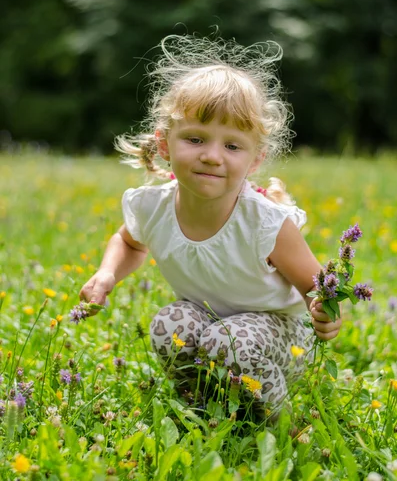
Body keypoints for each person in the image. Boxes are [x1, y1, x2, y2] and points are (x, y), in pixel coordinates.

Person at [79, 34, 342, 412]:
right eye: (196, 139)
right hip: (211, 323)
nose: (212, 156)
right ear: (165, 143)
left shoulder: (263, 222)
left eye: (232, 146)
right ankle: (204, 404)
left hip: (279, 337)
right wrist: (107, 275)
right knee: (169, 322)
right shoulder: (154, 206)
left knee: (228, 340)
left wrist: (326, 312)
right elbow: (129, 242)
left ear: (254, 159)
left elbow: (316, 285)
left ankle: (274, 418)